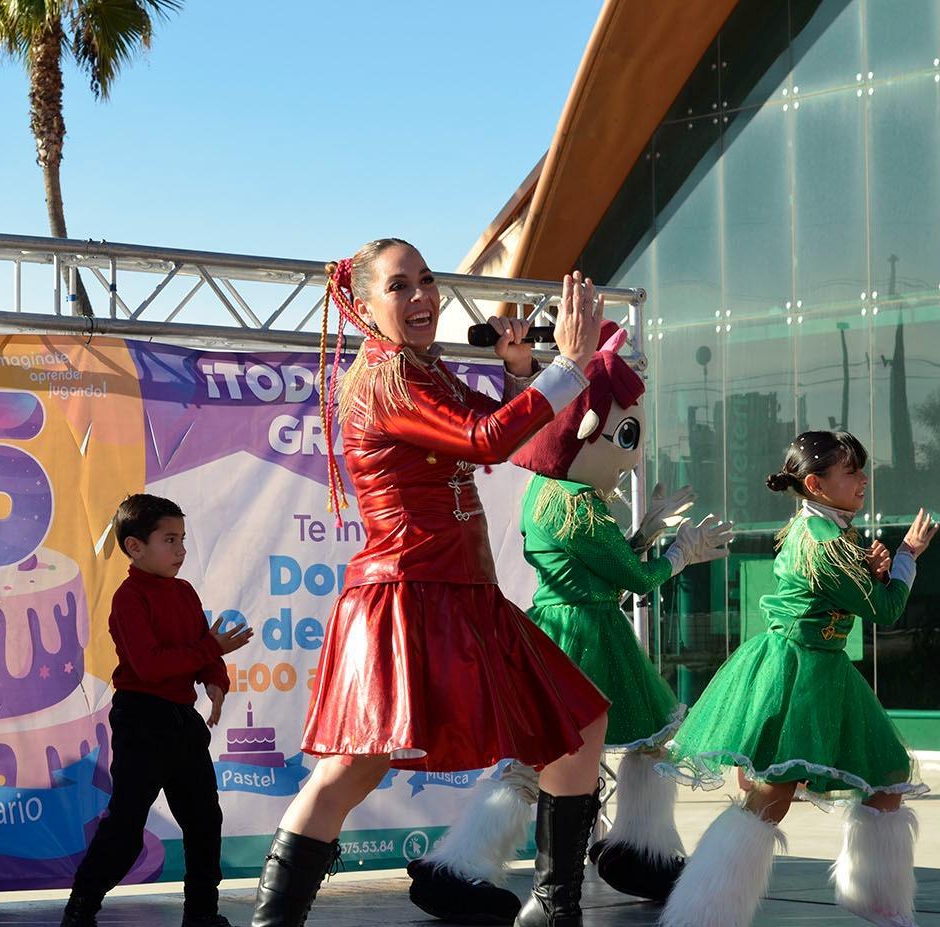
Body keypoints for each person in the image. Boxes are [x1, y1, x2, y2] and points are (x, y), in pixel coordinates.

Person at [248, 239, 611, 927]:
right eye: (399, 286)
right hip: (408, 594)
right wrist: (566, 364)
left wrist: (519, 371)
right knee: (353, 768)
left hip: (463, 594)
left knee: (580, 723)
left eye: (426, 280)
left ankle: (557, 909)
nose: (420, 297)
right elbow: (485, 441)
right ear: (362, 305)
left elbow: (505, 433)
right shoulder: (387, 382)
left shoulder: (425, 371)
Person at [406, 322, 733, 923]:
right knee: (619, 748)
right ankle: (627, 855)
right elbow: (634, 582)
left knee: (545, 757)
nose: (631, 456)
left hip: (560, 626)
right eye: (625, 435)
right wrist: (678, 552)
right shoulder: (579, 504)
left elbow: (601, 564)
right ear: (583, 429)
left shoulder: (547, 493)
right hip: (588, 636)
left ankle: (471, 863)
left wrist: (645, 533)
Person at [657, 431, 938, 927]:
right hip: (799, 672)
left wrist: (872, 568)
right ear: (815, 482)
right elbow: (886, 610)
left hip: (822, 668)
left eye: (859, 469)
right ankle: (703, 913)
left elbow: (844, 593)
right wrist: (907, 557)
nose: (862, 480)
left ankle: (876, 900)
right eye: (850, 471)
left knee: (886, 773)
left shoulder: (821, 530)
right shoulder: (824, 541)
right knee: (773, 794)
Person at [60, 494, 254, 927]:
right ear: (134, 546)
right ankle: (80, 910)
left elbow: (200, 647)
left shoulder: (184, 591)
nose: (181, 550)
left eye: (183, 539)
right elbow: (150, 666)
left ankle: (202, 913)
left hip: (182, 722)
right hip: (142, 719)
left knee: (204, 821)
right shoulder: (128, 598)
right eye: (169, 540)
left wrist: (215, 681)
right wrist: (211, 649)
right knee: (126, 828)